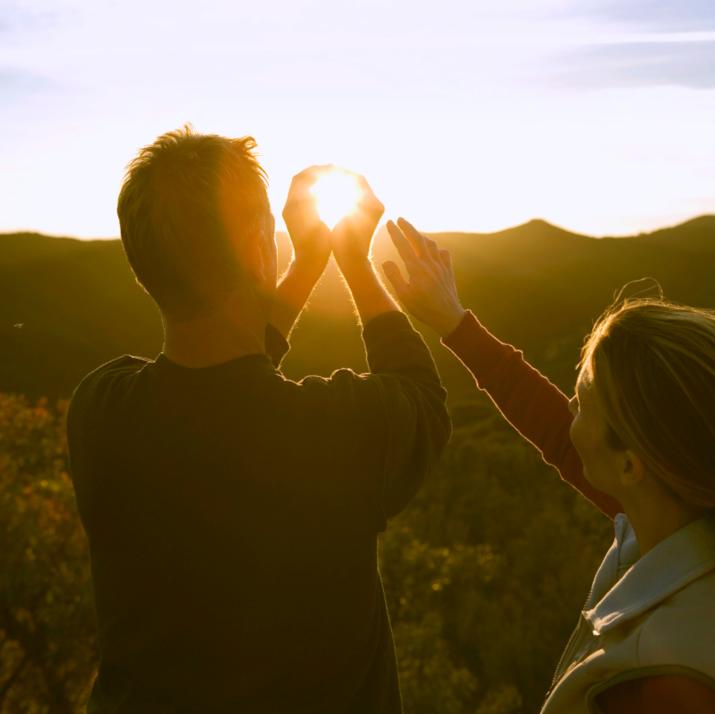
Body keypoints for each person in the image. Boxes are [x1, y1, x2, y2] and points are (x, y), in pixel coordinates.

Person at [66, 128, 451, 714]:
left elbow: (222, 389)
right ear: (254, 244)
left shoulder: (99, 413)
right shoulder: (330, 433)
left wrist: (297, 270)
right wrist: (352, 261)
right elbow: (424, 400)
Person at [381, 218, 715, 714]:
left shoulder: (662, 684)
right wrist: (453, 322)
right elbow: (562, 438)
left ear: (630, 466)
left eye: (581, 401)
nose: (568, 414)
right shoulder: (677, 504)